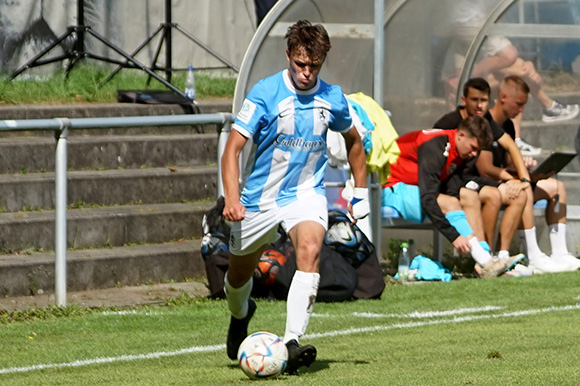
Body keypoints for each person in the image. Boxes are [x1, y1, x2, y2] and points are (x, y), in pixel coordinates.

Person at [221, 20, 369, 374]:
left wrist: (359, 193)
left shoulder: (332, 97)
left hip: (305, 194)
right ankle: (241, 314)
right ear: (288, 55)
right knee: (238, 277)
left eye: (313, 66)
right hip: (258, 199)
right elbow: (232, 150)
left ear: (322, 61)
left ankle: (290, 343)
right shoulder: (265, 93)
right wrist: (231, 198)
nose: (306, 73)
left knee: (310, 249)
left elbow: (354, 142)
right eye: (300, 64)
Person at [382, 115, 521, 278]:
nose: (474, 154)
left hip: (414, 188)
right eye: (473, 147)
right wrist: (453, 236)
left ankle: (485, 258)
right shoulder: (435, 146)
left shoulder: (461, 151)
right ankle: (486, 262)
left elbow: (455, 184)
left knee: (469, 196)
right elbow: (428, 197)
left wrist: (500, 185)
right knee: (450, 202)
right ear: (461, 135)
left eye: (478, 150)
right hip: (392, 188)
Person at [443, 0, 579, 156]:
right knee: (512, 64)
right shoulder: (472, 28)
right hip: (466, 123)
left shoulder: (470, 43)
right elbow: (508, 56)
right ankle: (548, 107)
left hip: (479, 87)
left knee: (516, 75)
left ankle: (545, 111)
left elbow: (501, 65)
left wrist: (525, 66)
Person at [477, 75, 580, 272]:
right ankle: (533, 255)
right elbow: (486, 168)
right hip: (489, 184)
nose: (521, 110)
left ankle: (560, 253)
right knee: (524, 191)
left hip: (508, 180)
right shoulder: (485, 124)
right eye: (519, 104)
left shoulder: (507, 125)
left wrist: (525, 169)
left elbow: (507, 162)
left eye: (524, 105)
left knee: (556, 187)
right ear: (503, 97)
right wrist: (517, 178)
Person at [433, 77, 528, 268]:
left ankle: (501, 256)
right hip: (449, 183)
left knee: (518, 195)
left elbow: (510, 144)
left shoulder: (485, 120)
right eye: (474, 100)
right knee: (491, 195)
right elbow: (432, 152)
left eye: (483, 100)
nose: (479, 105)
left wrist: (523, 178)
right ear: (464, 100)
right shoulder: (449, 122)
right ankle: (484, 257)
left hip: (467, 179)